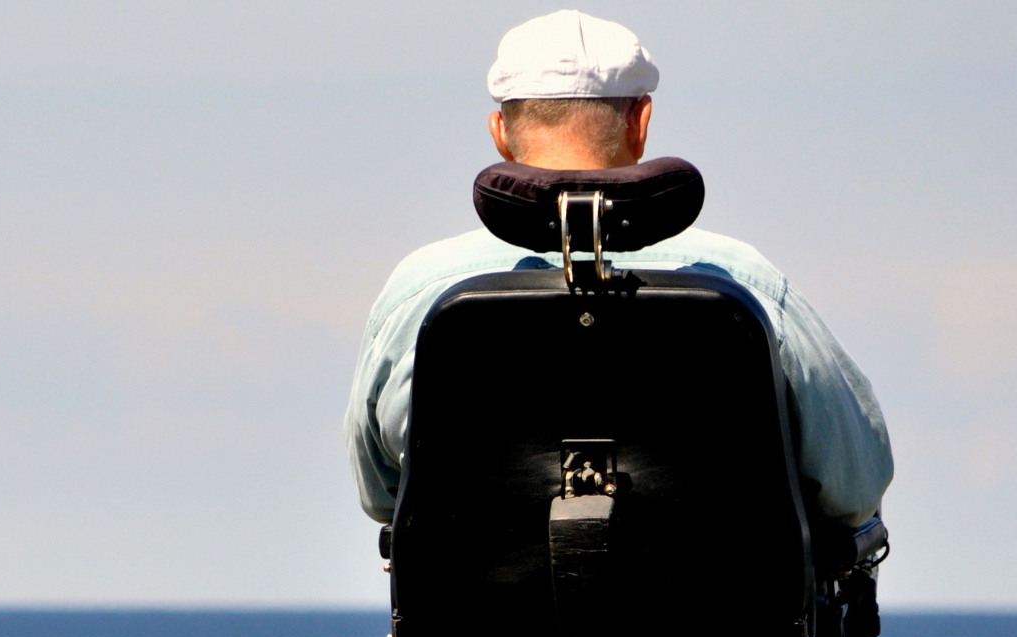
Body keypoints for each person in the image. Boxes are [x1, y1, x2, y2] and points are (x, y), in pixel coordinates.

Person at [345, 9, 892, 531]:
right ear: (642, 120)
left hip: (480, 627)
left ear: (499, 132)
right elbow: (855, 484)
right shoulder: (744, 284)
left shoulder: (418, 292)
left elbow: (382, 495)